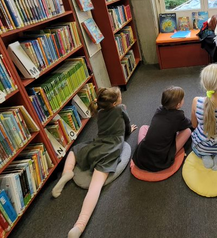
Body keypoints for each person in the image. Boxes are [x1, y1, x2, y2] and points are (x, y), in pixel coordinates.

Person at [51, 87, 137, 238]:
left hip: (98, 143)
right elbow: (127, 125)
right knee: (95, 187)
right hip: (112, 148)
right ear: (116, 102)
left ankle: (67, 173)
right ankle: (79, 225)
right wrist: (129, 130)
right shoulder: (121, 109)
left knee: (74, 151)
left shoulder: (99, 111)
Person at [132, 86, 192, 172]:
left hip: (142, 156)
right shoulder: (178, 116)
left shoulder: (159, 109)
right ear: (178, 104)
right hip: (160, 160)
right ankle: (171, 154)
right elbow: (189, 124)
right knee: (188, 131)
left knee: (144, 127)